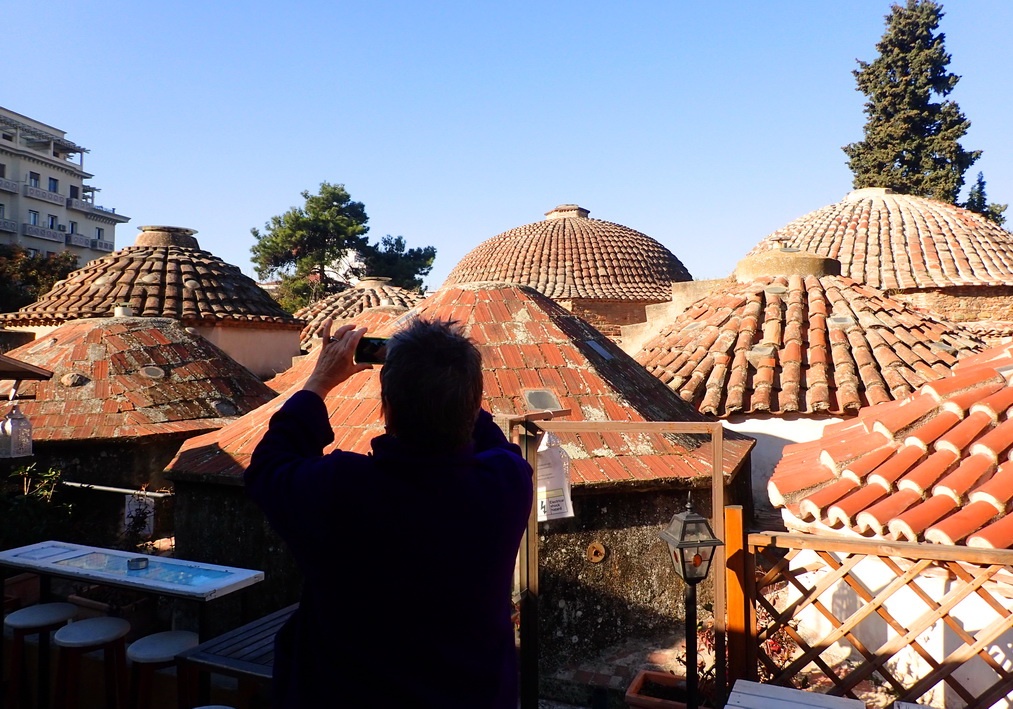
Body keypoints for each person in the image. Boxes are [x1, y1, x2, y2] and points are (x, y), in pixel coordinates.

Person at [246, 317, 533, 708]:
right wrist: (446, 379)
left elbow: (268, 467)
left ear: (388, 410)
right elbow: (483, 436)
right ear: (472, 402)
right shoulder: (507, 483)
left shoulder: (342, 490)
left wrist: (319, 382)